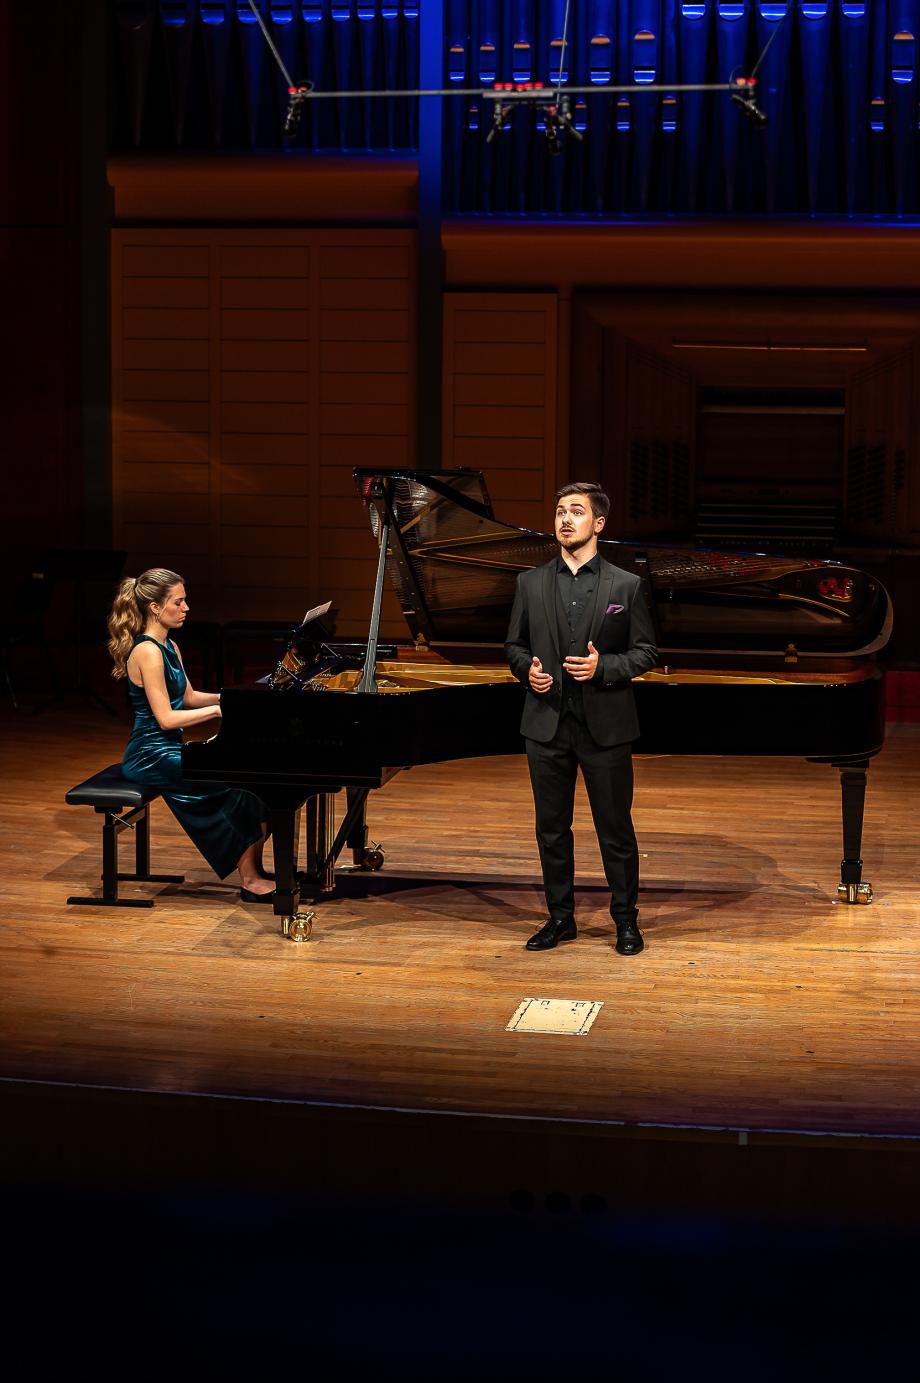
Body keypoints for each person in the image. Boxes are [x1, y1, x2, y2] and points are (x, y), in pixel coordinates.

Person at [504, 483, 658, 954]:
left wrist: (605, 667)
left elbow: (646, 651)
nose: (565, 519)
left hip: (605, 727)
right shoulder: (529, 584)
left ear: (599, 524)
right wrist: (526, 671)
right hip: (546, 725)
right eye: (559, 512)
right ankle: (560, 918)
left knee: (615, 829)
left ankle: (626, 921)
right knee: (551, 828)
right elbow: (514, 646)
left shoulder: (626, 586)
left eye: (576, 511)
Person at [107, 568, 274, 902]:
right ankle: (250, 879)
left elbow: (188, 697)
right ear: (155, 607)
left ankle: (255, 869)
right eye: (178, 602)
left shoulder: (169, 646)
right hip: (149, 754)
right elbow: (167, 718)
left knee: (254, 782)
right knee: (234, 786)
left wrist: (234, 698)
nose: (186, 608)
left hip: (168, 748)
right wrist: (218, 712)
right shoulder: (148, 651)